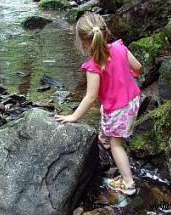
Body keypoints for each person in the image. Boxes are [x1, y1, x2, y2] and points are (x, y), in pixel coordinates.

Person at [54, 12, 142, 196]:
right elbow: (138, 68)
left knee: (116, 143)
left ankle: (128, 183)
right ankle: (105, 134)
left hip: (119, 109)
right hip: (133, 101)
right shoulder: (119, 47)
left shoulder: (93, 65)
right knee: (105, 111)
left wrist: (74, 116)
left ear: (83, 41)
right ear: (105, 32)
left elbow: (91, 97)